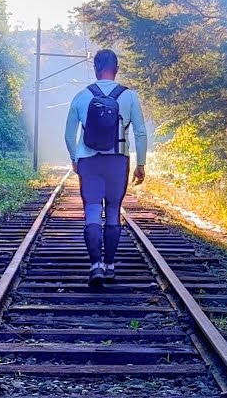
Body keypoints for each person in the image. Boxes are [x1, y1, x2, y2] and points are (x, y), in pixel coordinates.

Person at [64, 49, 147, 288]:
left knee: (91, 210)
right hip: (117, 161)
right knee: (113, 210)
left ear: (95, 68)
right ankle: (110, 266)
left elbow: (69, 135)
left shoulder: (81, 96)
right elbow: (140, 132)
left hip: (89, 162)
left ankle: (95, 266)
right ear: (116, 69)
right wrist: (140, 164)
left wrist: (75, 158)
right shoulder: (129, 96)